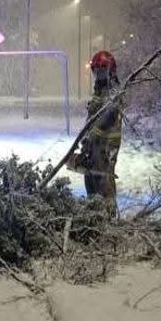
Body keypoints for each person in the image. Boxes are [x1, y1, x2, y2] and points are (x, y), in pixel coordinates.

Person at [69, 50, 124, 212]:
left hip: (107, 145)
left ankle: (108, 218)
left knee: (103, 180)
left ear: (110, 69)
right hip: (94, 144)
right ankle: (93, 216)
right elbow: (93, 117)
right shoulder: (99, 90)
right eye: (97, 71)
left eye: (102, 70)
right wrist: (86, 140)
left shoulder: (114, 89)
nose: (99, 74)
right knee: (91, 177)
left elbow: (110, 114)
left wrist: (94, 134)